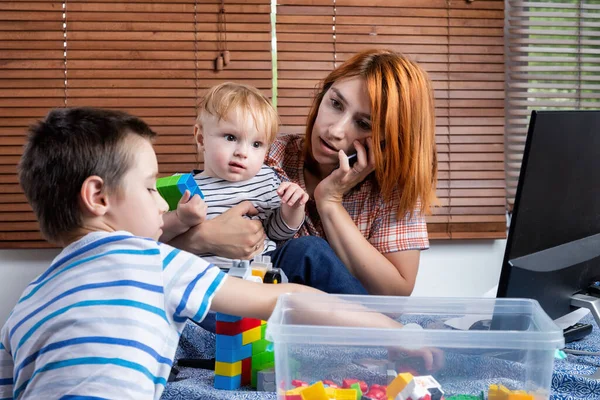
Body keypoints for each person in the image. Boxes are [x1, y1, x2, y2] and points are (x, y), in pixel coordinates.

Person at [0, 107, 382, 399]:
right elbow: (292, 299)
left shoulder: (26, 304)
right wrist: (399, 335)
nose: (163, 206)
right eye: (151, 189)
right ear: (98, 197)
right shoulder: (153, 262)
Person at [171, 49, 438, 296]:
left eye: (363, 123)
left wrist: (329, 202)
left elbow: (394, 296)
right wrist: (204, 238)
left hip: (323, 320)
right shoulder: (264, 156)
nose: (335, 130)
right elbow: (139, 241)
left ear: (388, 139)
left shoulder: (393, 189)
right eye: (335, 104)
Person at [160, 82, 309, 269]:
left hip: (265, 270)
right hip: (209, 278)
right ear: (201, 138)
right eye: (231, 137)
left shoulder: (268, 179)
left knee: (310, 248)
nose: (243, 152)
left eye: (256, 144)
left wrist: (292, 209)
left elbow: (278, 232)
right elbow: (154, 236)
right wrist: (180, 220)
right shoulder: (182, 188)